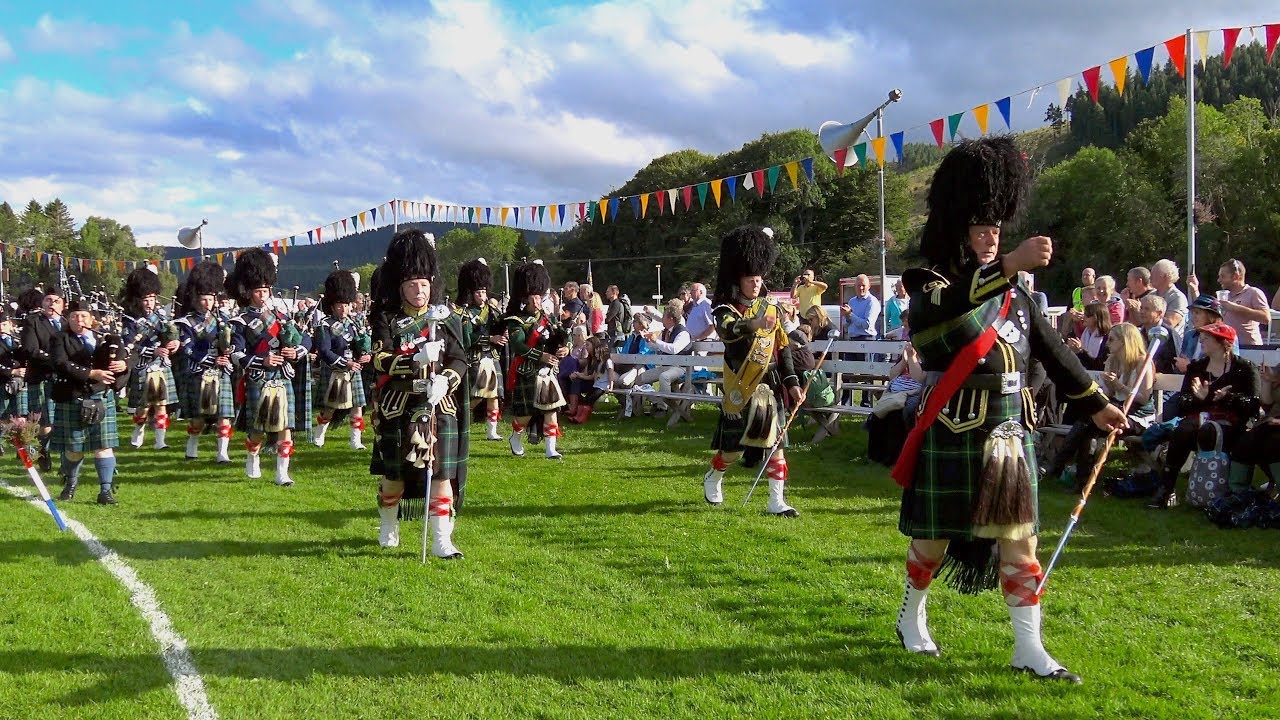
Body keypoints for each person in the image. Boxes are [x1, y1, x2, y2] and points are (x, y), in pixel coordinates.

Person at [891, 137, 1125, 683]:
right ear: (958, 229)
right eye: (982, 226)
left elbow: (1052, 349)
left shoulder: (1012, 292)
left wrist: (1096, 403)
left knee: (1022, 539)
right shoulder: (926, 281)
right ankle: (911, 615)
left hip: (1009, 429)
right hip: (955, 423)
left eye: (998, 227)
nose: (994, 235)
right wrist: (1010, 267)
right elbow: (946, 318)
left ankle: (1028, 647)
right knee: (934, 537)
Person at [368, 229, 468, 556]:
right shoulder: (386, 318)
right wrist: (415, 360)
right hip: (400, 404)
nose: (419, 290)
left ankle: (441, 539)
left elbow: (459, 358)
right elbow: (380, 359)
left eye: (424, 284)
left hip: (440, 404)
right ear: (400, 286)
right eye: (412, 284)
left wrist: (447, 381)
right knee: (395, 474)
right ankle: (388, 524)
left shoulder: (444, 318)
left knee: (441, 472)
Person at [702, 226, 805, 517]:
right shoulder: (724, 308)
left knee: (777, 444)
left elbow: (782, 347)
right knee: (733, 449)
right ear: (739, 279)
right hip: (742, 383)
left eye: (759, 279)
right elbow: (729, 330)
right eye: (751, 279)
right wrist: (753, 325)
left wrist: (792, 382)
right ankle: (715, 475)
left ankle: (776, 502)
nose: (756, 284)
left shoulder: (771, 306)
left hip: (771, 382)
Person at [1147, 322, 1260, 509]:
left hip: (1233, 427)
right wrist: (1200, 400)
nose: (1201, 341)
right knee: (1181, 430)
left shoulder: (1245, 368)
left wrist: (1226, 398)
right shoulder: (1197, 367)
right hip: (1197, 423)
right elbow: (1182, 404)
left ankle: (1211, 491)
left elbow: (1253, 406)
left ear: (1223, 343)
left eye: (1207, 338)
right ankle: (1167, 489)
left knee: (1208, 431)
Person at [227, 248, 311, 486]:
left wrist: (296, 351)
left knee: (286, 425)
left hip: (282, 377)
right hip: (258, 377)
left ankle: (282, 473)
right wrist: (261, 360)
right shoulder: (240, 321)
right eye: (258, 291)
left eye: (265, 290)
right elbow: (235, 354)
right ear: (248, 292)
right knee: (258, 428)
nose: (262, 296)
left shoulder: (282, 317)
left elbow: (306, 340)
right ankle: (252, 459)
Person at [1043, 323, 1156, 489]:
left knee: (1088, 423)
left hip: (1138, 416)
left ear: (1125, 342)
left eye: (1111, 340)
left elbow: (1144, 398)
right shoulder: (1114, 361)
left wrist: (1118, 385)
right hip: (1119, 409)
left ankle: (1062, 467)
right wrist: (1109, 380)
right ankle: (1078, 477)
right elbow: (1110, 395)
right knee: (1089, 421)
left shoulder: (1143, 362)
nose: (1107, 343)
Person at [49, 300, 128, 505]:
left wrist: (124, 363)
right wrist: (91, 373)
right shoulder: (61, 338)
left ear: (92, 319)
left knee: (104, 446)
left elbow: (130, 353)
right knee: (75, 449)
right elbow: (60, 363)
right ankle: (71, 482)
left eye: (83, 316)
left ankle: (105, 491)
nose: (79, 320)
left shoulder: (106, 339)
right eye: (75, 316)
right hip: (74, 396)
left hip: (101, 397)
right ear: (68, 319)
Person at [503, 261, 570, 459]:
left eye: (540, 296)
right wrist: (541, 356)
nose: (538, 301)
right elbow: (518, 346)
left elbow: (560, 337)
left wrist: (565, 348)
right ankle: (516, 436)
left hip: (548, 370)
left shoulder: (548, 318)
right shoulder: (516, 321)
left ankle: (551, 450)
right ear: (525, 299)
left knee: (551, 409)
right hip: (527, 370)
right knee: (527, 413)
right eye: (535, 297)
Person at [175, 261, 235, 463]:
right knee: (199, 418)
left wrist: (228, 350)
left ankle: (222, 453)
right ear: (196, 299)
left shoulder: (222, 320)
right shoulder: (187, 322)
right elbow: (188, 348)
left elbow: (232, 341)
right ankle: (192, 447)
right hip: (199, 371)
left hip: (222, 370)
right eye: (203, 299)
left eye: (210, 299)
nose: (207, 303)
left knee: (224, 415)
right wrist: (211, 359)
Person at [119, 266, 180, 451]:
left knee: (162, 404)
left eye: (152, 298)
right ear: (138, 299)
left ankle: (160, 441)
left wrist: (174, 342)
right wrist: (152, 351)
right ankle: (139, 429)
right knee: (143, 407)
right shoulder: (129, 319)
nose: (150, 303)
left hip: (161, 365)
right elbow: (129, 344)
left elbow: (168, 334)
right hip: (143, 365)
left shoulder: (161, 316)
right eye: (146, 299)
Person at [312, 268, 372, 449]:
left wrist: (365, 355)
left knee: (357, 406)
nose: (343, 308)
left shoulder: (353, 324)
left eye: (346, 304)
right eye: (340, 305)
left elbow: (357, 347)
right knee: (330, 408)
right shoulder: (325, 325)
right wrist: (346, 363)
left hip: (352, 370)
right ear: (332, 306)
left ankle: (356, 441)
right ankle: (319, 435)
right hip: (334, 370)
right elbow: (324, 351)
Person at [456, 258, 508, 443]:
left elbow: (499, 328)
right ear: (471, 293)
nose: (483, 296)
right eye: (479, 292)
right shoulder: (465, 313)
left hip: (491, 355)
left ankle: (491, 430)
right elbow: (467, 339)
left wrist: (504, 330)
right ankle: (461, 419)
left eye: (484, 292)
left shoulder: (492, 311)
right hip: (476, 357)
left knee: (494, 393)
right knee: (477, 394)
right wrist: (490, 338)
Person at [22, 289, 65, 471]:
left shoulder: (67, 323)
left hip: (64, 378)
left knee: (61, 420)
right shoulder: (33, 322)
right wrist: (58, 361)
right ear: (43, 303)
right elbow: (31, 349)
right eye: (48, 300)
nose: (51, 304)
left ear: (63, 305)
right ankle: (43, 451)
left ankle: (64, 458)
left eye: (56, 301)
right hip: (41, 377)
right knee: (45, 421)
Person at [1189, 259, 1269, 347]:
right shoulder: (1223, 296)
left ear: (1235, 276)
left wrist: (1235, 308)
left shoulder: (1253, 293)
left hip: (1249, 348)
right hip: (1227, 348)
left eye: (1222, 276)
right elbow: (1204, 312)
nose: (1219, 280)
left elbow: (1266, 318)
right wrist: (1194, 289)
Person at [567, 336, 613, 424]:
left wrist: (611, 386)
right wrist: (577, 375)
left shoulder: (607, 362)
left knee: (590, 399)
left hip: (602, 386)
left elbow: (610, 375)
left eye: (587, 345)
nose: (596, 355)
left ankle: (581, 418)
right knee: (587, 398)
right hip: (596, 384)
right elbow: (591, 376)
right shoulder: (597, 362)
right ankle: (576, 415)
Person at [0, 310, 29, 420]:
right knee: (3, 419)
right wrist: (12, 371)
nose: (1, 328)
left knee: (21, 418)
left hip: (21, 383)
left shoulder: (19, 339)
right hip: (2, 382)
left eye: (4, 325)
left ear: (11, 324)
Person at [1064, 302, 1110, 370]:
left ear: (1097, 317)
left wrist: (1080, 351)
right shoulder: (1086, 333)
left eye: (1088, 315)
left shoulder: (1108, 337)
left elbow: (1097, 365)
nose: (1084, 317)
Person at [1150, 259, 1187, 336]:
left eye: (1154, 274)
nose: (1150, 277)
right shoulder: (1151, 295)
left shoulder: (1178, 297)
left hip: (1169, 343)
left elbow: (1170, 323)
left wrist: (1149, 315)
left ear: (1165, 276)